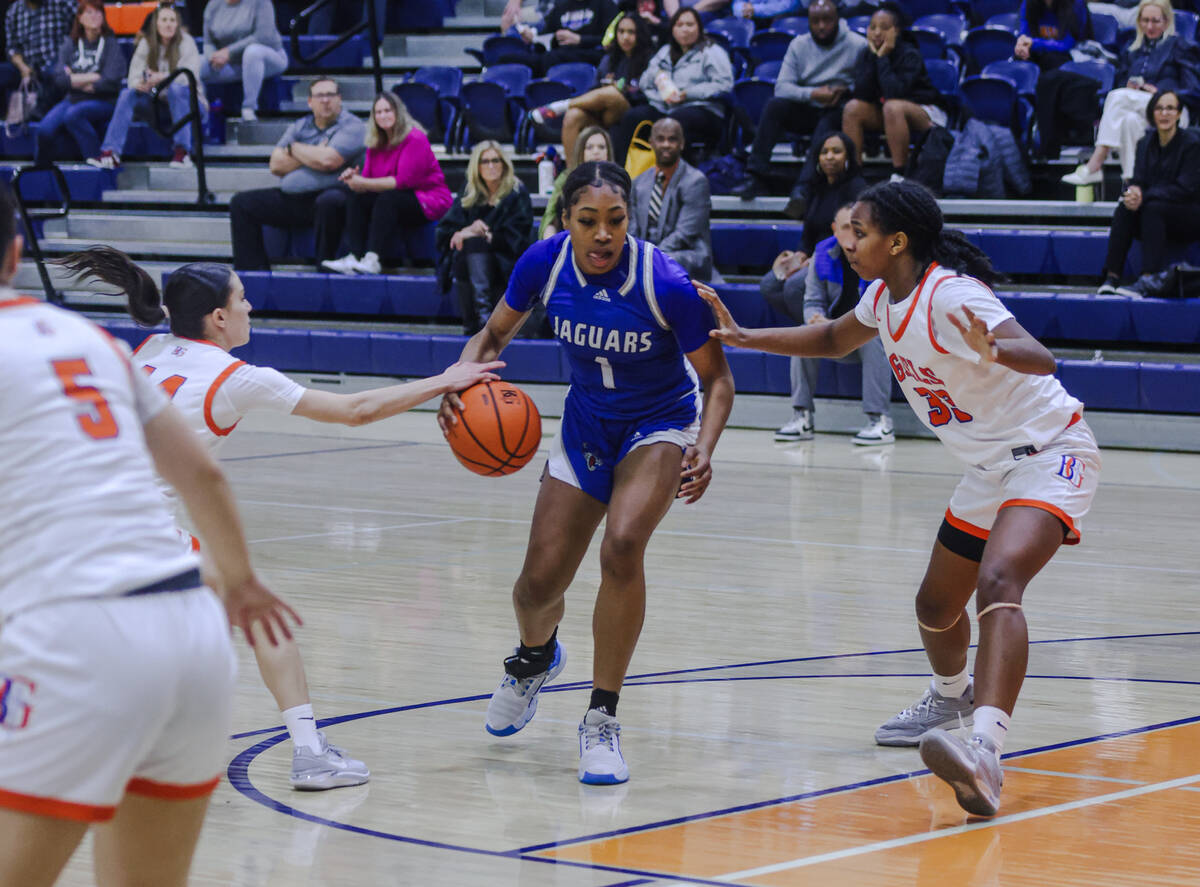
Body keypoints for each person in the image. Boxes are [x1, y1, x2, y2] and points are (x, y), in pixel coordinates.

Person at [703, 180, 1101, 818]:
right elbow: (834, 339)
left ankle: (985, 755)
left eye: (859, 231)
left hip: (1050, 453)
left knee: (998, 581)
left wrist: (996, 348)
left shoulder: (951, 293)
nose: (847, 240)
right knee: (936, 604)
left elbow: (1041, 356)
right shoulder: (884, 298)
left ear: (897, 241)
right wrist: (747, 337)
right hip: (987, 469)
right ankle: (950, 696)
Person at [53, 244, 504, 792]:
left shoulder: (149, 347)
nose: (252, 308)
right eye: (242, 300)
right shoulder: (237, 376)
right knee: (262, 614)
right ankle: (308, 753)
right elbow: (353, 411)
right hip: (143, 531)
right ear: (218, 318)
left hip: (79, 523)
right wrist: (444, 378)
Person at [0, 182, 296, 887]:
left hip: (78, 634)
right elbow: (203, 477)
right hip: (192, 630)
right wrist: (244, 582)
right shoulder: (89, 340)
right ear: (16, 252)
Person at [438, 160, 735, 786]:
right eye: (588, 221)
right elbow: (490, 339)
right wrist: (457, 384)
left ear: (631, 218)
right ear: (565, 220)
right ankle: (534, 657)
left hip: (657, 422)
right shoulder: (543, 264)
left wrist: (704, 446)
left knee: (623, 546)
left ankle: (601, 718)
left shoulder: (666, 282)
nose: (603, 234)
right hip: (585, 425)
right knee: (535, 587)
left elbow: (717, 381)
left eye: (616, 221)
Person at [731, 0, 866, 204]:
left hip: (838, 109)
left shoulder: (857, 45)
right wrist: (813, 94)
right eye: (816, 21)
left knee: (829, 121)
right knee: (775, 105)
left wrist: (846, 90)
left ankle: (804, 187)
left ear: (837, 19)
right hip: (807, 106)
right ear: (808, 22)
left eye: (827, 20)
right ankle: (754, 176)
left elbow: (868, 85)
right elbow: (782, 88)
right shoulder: (799, 44)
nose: (821, 26)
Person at [229, 77, 365, 271]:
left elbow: (328, 161)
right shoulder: (300, 126)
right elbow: (275, 165)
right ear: (310, 101)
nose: (325, 100)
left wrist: (294, 152)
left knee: (329, 201)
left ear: (339, 99)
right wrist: (307, 150)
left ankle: (325, 274)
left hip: (334, 195)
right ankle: (253, 275)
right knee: (242, 203)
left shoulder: (353, 126)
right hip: (296, 198)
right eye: (320, 96)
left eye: (330, 95)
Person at [1063, 0, 1196, 185]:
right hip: (1139, 110)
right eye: (1145, 20)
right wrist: (1130, 87)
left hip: (1173, 110)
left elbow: (1194, 92)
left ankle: (1095, 164)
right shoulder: (1131, 51)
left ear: (1166, 21)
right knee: (1128, 121)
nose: (1150, 26)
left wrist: (1161, 93)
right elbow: (1119, 83)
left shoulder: (1181, 47)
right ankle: (1133, 188)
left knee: (1117, 97)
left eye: (1155, 21)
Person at [321, 91, 452, 276]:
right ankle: (355, 256)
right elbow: (367, 180)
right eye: (378, 112)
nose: (383, 116)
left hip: (427, 200)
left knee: (388, 199)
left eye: (387, 110)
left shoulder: (415, 138)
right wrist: (354, 179)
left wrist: (364, 182)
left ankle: (373, 259)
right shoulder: (375, 143)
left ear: (398, 112)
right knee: (357, 197)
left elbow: (403, 181)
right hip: (397, 200)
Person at [1097, 89, 1200, 293]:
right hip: (1155, 214)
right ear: (1152, 113)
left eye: (1170, 108)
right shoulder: (1145, 143)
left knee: (1153, 207)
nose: (1164, 113)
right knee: (1124, 208)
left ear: (1179, 114)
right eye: (1159, 108)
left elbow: (1186, 189)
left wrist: (1144, 195)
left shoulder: (1192, 144)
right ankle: (1111, 277)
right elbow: (1138, 180)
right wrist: (1133, 192)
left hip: (1189, 215)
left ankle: (1147, 279)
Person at [87, 4, 205, 171]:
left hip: (192, 107)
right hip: (160, 106)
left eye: (172, 20)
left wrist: (162, 78)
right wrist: (143, 83)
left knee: (176, 90)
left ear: (177, 24)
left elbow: (188, 79)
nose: (168, 24)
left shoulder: (187, 42)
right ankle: (110, 153)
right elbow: (133, 78)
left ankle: (183, 152)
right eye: (164, 20)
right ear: (156, 24)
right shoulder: (146, 43)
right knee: (128, 94)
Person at [612, 7, 733, 165]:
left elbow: (724, 84)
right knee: (632, 116)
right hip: (666, 107)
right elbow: (644, 82)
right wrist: (662, 97)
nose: (684, 29)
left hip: (703, 109)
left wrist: (688, 94)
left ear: (699, 28)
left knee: (674, 122)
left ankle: (674, 175)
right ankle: (623, 174)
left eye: (689, 25)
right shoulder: (665, 52)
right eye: (679, 25)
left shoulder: (712, 51)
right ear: (673, 29)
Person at [435, 141, 534, 335]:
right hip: (472, 265)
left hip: (506, 265)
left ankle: (479, 321)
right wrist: (467, 231)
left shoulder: (516, 192)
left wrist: (486, 235)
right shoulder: (469, 191)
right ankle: (481, 318)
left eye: (495, 161)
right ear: (477, 166)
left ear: (504, 164)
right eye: (485, 161)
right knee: (470, 245)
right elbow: (445, 231)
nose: (491, 166)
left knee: (475, 243)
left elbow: (518, 241)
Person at [841, 2, 949, 179]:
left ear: (896, 31)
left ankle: (900, 174)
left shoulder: (909, 54)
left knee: (893, 106)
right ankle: (853, 175)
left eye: (884, 27)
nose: (876, 32)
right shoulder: (867, 53)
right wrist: (874, 58)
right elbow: (861, 93)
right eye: (872, 27)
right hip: (889, 113)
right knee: (852, 108)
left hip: (923, 110)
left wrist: (882, 58)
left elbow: (895, 92)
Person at [530, 12, 654, 161]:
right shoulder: (609, 59)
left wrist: (623, 90)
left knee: (613, 93)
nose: (625, 37)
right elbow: (592, 91)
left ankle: (561, 106)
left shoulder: (650, 60)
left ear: (640, 34)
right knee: (573, 116)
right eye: (621, 32)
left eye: (631, 32)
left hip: (629, 111)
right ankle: (573, 175)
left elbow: (648, 96)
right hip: (603, 113)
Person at [32, 0, 124, 166]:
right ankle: (40, 171)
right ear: (80, 18)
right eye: (89, 12)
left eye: (98, 12)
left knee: (74, 115)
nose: (94, 16)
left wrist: (75, 79)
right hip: (73, 98)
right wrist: (94, 76)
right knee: (44, 130)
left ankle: (98, 158)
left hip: (104, 100)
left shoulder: (111, 44)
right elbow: (59, 79)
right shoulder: (70, 44)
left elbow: (111, 80)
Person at [628, 117, 713, 280]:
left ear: (681, 144)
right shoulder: (638, 183)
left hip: (686, 256)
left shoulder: (696, 181)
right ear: (651, 142)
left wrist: (650, 258)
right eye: (660, 139)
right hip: (646, 258)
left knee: (665, 264)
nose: (666, 144)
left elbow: (684, 234)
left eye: (672, 139)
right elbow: (632, 230)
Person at [201, 0, 286, 121]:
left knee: (252, 52)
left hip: (268, 57)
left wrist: (229, 52)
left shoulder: (261, 2)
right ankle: (201, 114)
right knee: (197, 65)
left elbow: (263, 36)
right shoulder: (213, 5)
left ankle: (249, 108)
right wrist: (212, 57)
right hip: (229, 63)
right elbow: (208, 42)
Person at [1, 0, 75, 118]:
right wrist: (23, 67)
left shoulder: (62, 3)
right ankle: (6, 119)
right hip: (27, 68)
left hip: (57, 63)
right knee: (3, 72)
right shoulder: (14, 10)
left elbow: (82, 26)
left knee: (53, 72)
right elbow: (11, 49)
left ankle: (38, 115)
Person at [540, 125, 614, 238]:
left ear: (608, 151)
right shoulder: (565, 178)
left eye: (601, 147)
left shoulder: (617, 181)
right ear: (581, 151)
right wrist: (550, 244)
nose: (596, 152)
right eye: (589, 147)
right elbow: (550, 217)